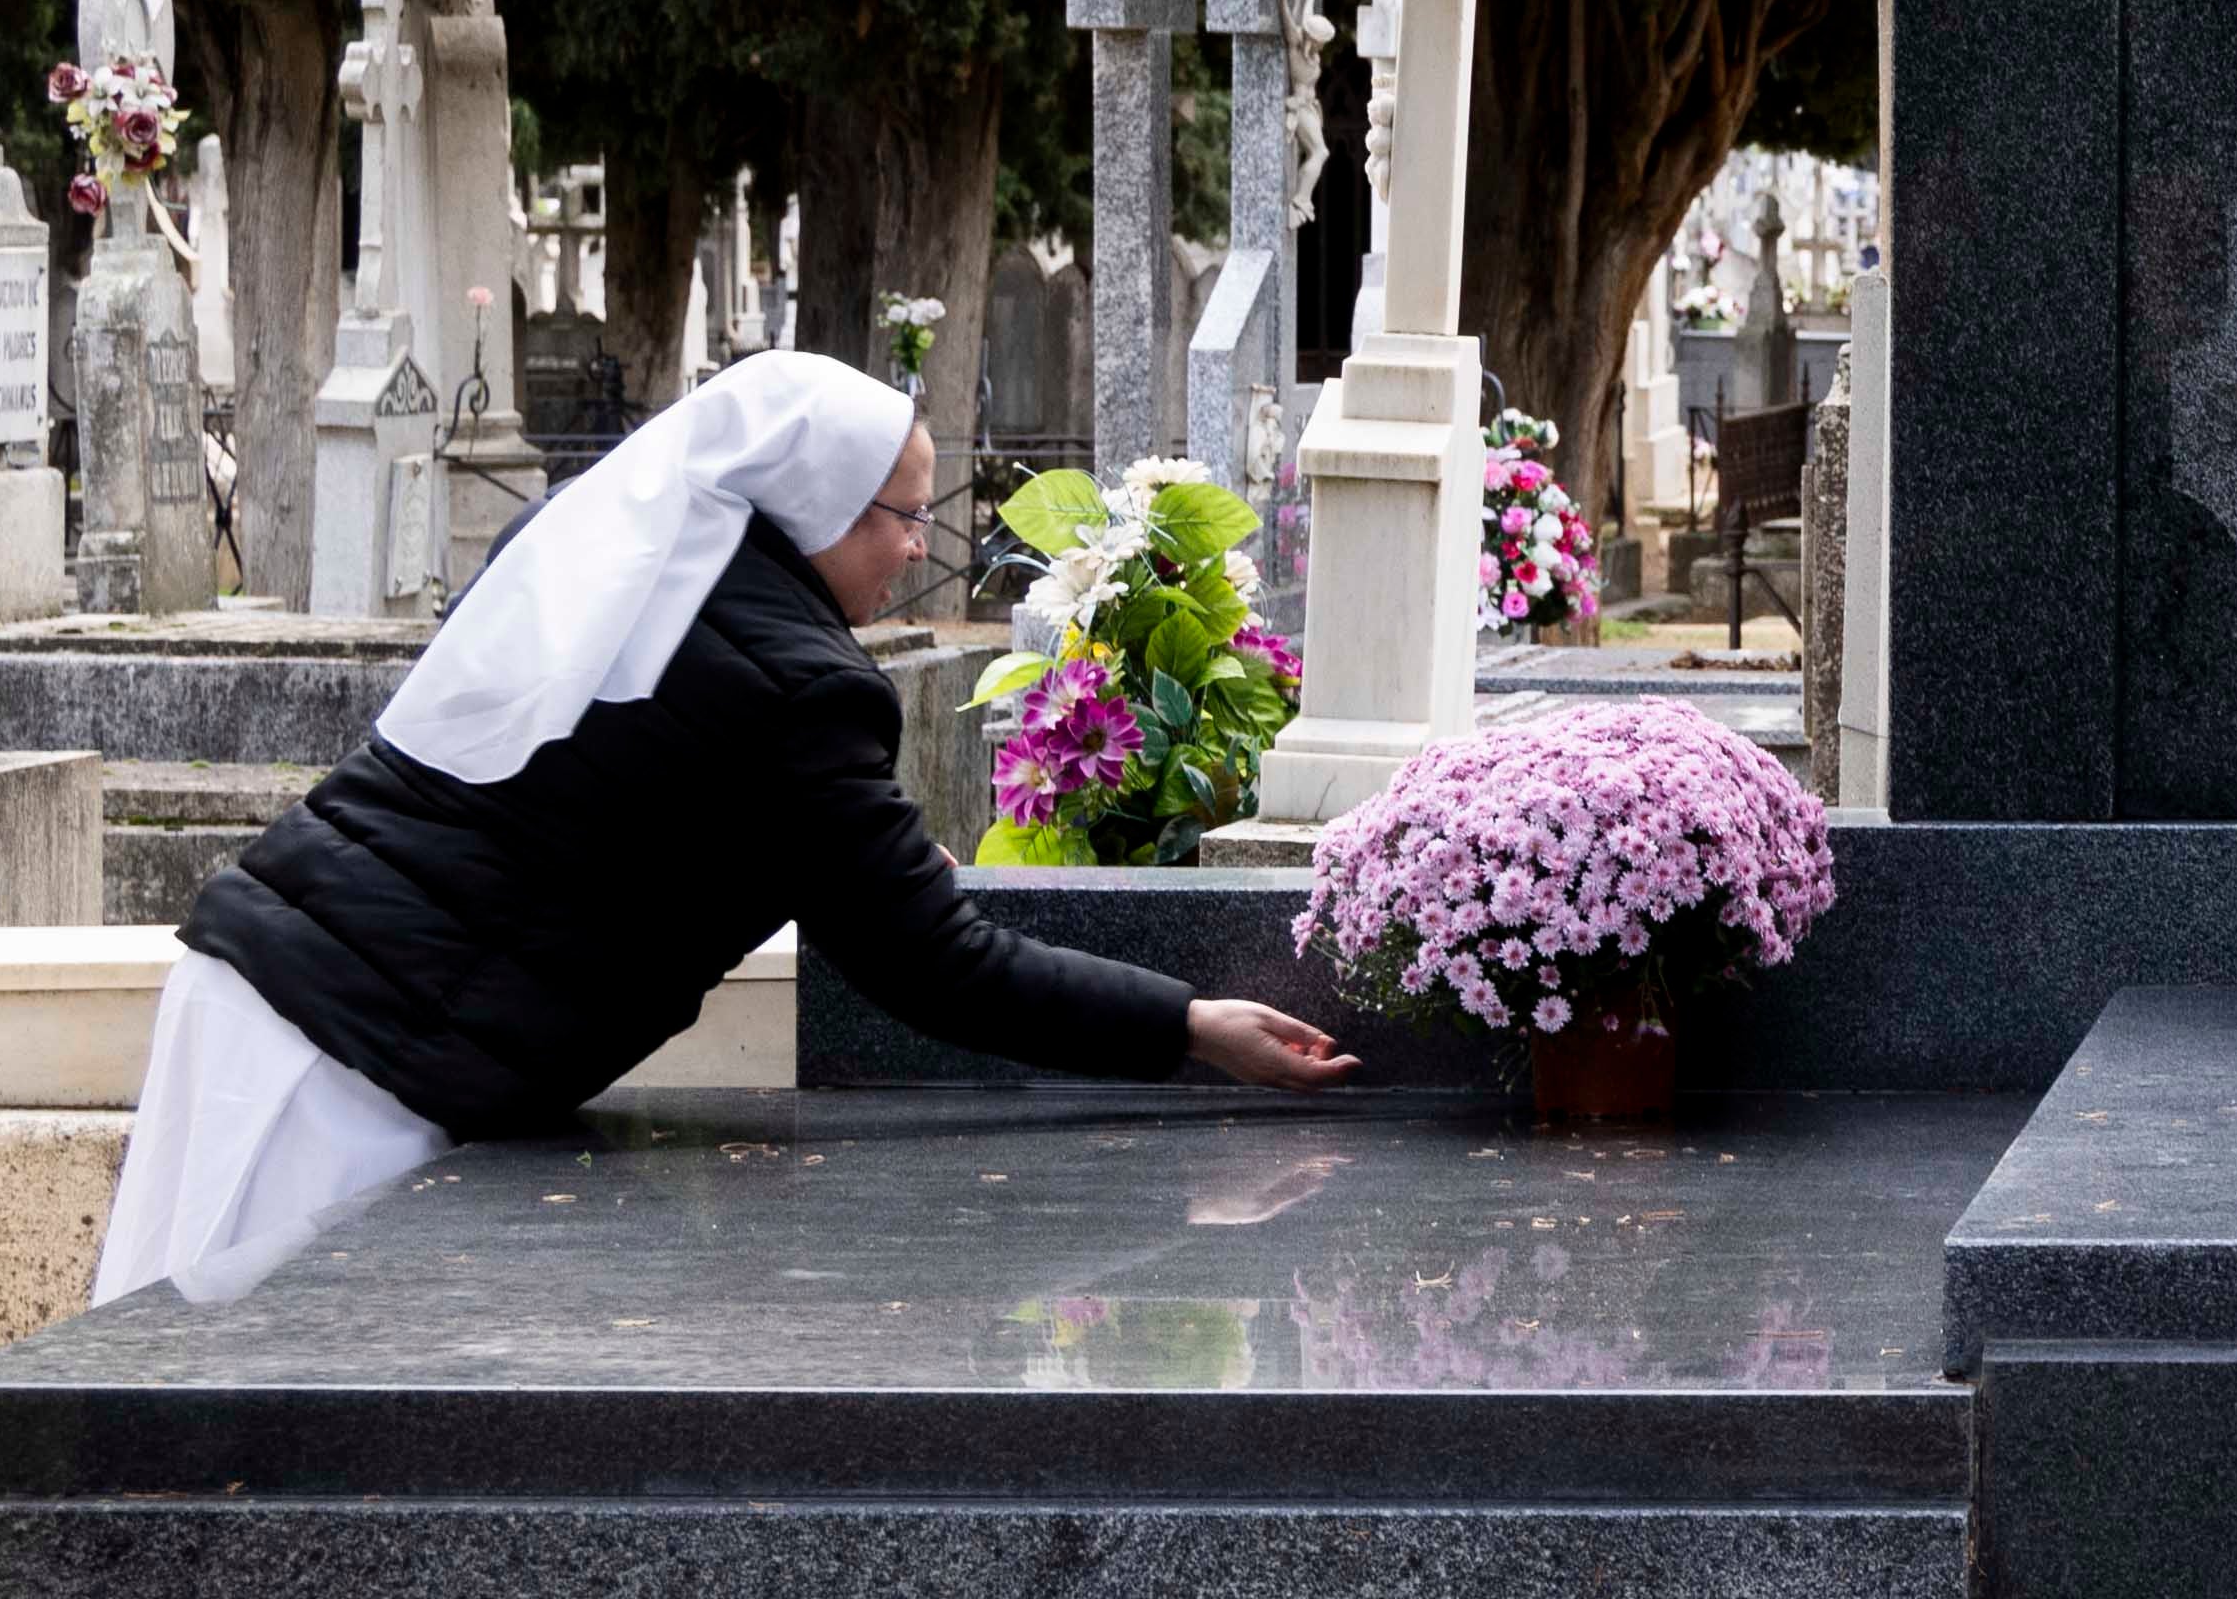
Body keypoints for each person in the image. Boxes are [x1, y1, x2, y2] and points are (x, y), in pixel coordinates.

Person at [95, 350, 1359, 1308]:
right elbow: (932, 960)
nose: (917, 550)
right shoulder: (801, 684)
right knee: (221, 1433)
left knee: (163, 1395)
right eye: (902, 517)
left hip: (268, 986)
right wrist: (1191, 1026)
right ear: (814, 506)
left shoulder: (629, 552)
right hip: (347, 1065)